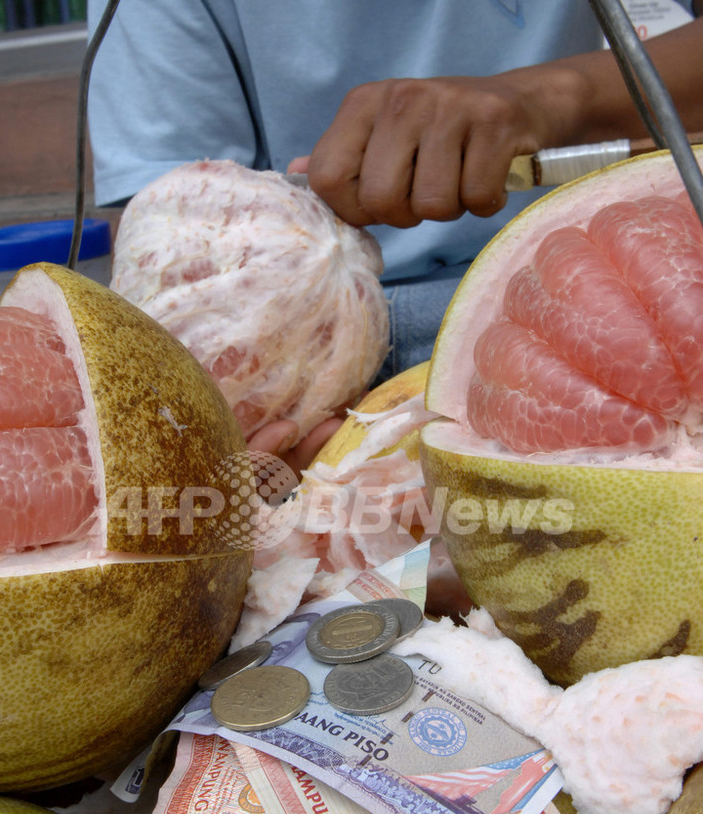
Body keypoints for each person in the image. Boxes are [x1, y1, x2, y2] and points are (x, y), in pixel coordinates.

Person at [87, 0, 703, 465]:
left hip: (588, 291)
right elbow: (167, 248)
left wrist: (557, 95)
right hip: (324, 358)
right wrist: (212, 424)